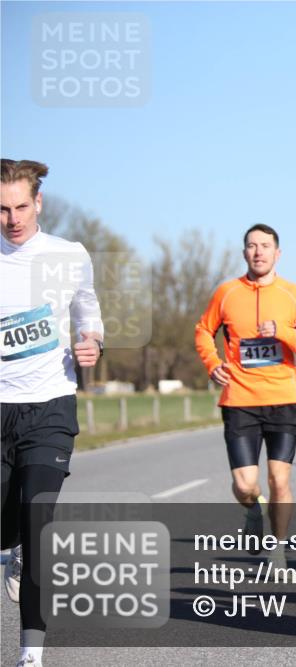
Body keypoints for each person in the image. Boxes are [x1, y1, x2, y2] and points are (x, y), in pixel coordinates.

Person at [2, 159, 104, 667]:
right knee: (10, 527)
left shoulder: (69, 255)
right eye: (2, 209)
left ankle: (30, 655)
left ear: (38, 202)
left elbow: (88, 314)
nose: (13, 218)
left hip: (50, 408)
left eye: (21, 206)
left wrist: (93, 343)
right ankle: (11, 543)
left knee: (40, 522)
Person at [195, 224, 296, 567]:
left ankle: (278, 551)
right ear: (244, 253)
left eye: (265, 246)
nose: (258, 252)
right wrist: (212, 364)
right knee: (245, 485)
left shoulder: (293, 294)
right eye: (252, 246)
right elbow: (203, 331)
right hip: (239, 400)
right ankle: (253, 509)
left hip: (284, 399)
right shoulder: (226, 293)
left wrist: (282, 331)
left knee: (279, 480)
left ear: (277, 253)